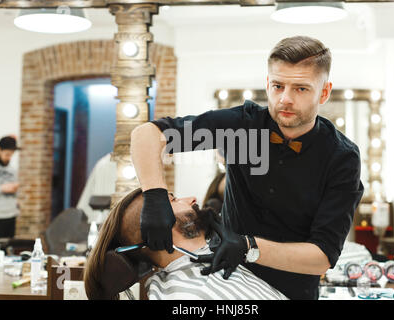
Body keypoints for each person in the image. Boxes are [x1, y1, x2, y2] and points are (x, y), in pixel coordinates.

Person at [130, 36, 364, 299]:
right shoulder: (241, 126)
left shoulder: (342, 158)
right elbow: (147, 134)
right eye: (278, 86)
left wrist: (248, 246)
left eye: (300, 88)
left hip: (291, 292)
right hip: (225, 280)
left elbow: (322, 255)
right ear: (267, 83)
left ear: (324, 92)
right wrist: (155, 195)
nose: (285, 99)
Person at [84, 187, 288, 300]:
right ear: (157, 228)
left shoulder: (221, 258)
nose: (191, 198)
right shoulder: (186, 295)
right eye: (173, 200)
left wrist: (247, 247)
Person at [0, 136, 20, 238]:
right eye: (7, 154)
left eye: (11, 155)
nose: (9, 158)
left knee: (9, 250)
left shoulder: (12, 170)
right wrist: (2, 188)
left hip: (11, 216)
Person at [77, 152, 117, 224]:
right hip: (100, 219)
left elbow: (84, 202)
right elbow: (87, 196)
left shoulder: (102, 163)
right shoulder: (103, 163)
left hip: (100, 219)